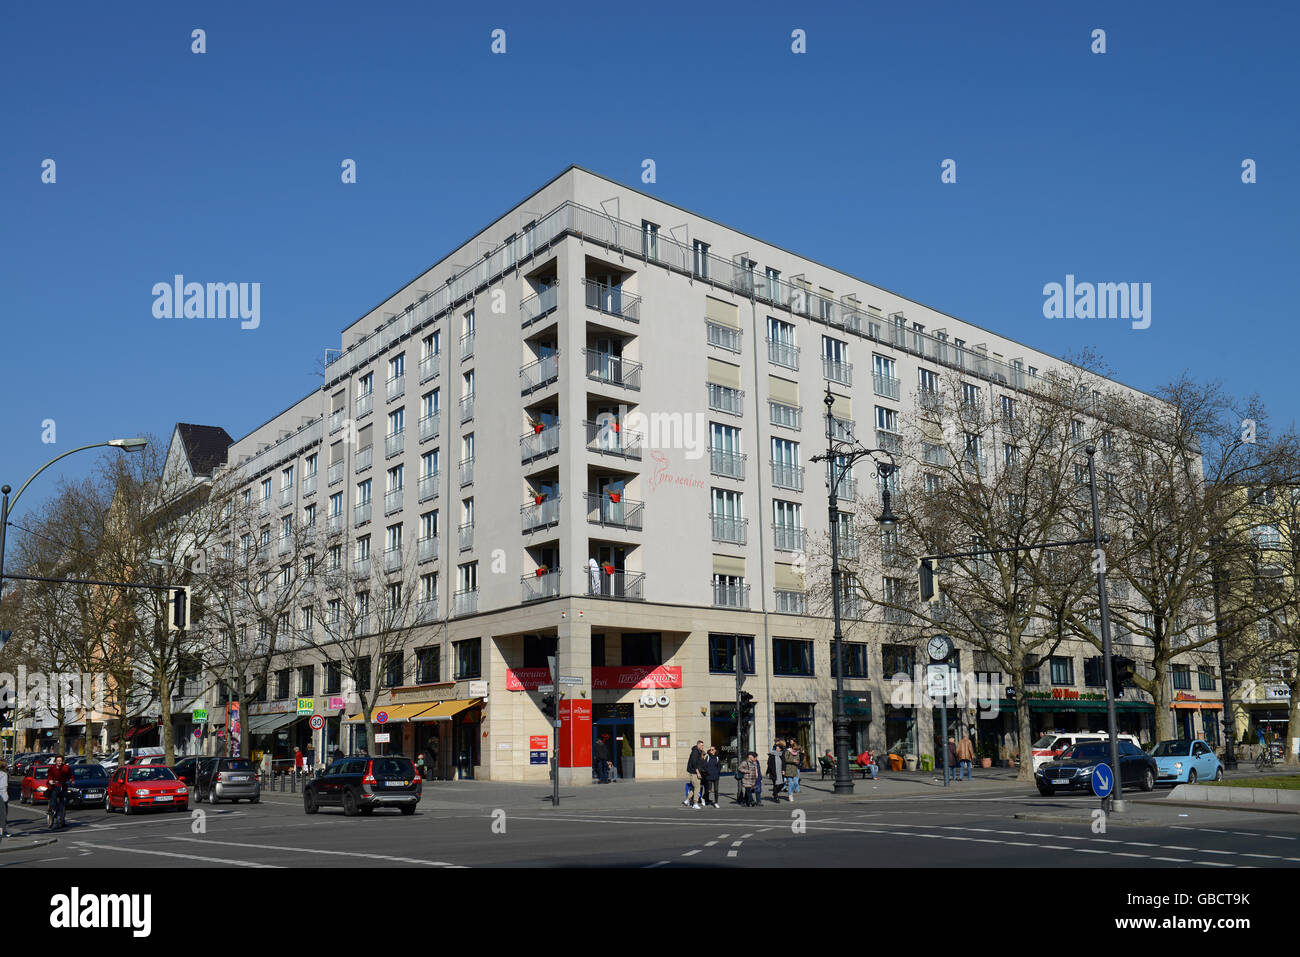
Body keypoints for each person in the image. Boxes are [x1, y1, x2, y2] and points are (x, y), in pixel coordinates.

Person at [45, 754, 73, 830]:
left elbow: (70, 775)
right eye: (58, 761)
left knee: (63, 803)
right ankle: (51, 810)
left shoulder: (66, 768)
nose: (59, 762)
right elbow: (49, 776)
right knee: (53, 799)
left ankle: (62, 820)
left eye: (60, 761)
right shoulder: (52, 768)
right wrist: (50, 781)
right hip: (54, 786)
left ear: (63, 761)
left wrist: (71, 780)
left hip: (63, 786)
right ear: (55, 761)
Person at [684, 740, 704, 809]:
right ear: (698, 745)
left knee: (694, 787)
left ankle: (687, 800)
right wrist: (698, 772)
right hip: (694, 773)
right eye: (701, 745)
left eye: (703, 745)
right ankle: (695, 803)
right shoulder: (695, 752)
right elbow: (694, 763)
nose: (702, 747)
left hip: (694, 772)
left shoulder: (698, 751)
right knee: (697, 787)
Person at [0, 759, 10, 840]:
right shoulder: (4, 774)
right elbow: (3, 787)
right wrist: (6, 798)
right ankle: (2, 832)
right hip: (2, 798)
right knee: (3, 816)